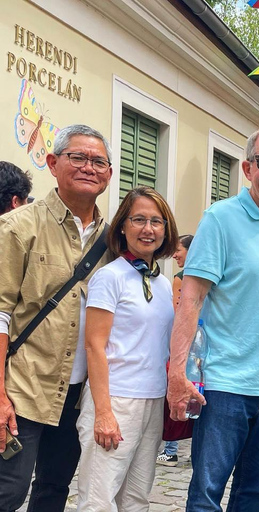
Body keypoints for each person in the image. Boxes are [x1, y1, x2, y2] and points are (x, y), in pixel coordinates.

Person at [166, 125, 259, 512]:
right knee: (207, 494)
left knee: (254, 493)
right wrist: (178, 375)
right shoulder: (219, 219)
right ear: (249, 168)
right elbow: (191, 299)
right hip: (224, 386)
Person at [0, 124, 113, 511]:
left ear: (109, 174)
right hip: (23, 389)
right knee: (8, 491)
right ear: (53, 162)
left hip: (78, 395)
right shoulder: (18, 227)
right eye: (77, 157)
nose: (88, 167)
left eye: (98, 161)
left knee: (53, 490)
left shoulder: (113, 242)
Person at [76, 186, 179, 510]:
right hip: (115, 400)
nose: (148, 229)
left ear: (166, 229)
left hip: (152, 399)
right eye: (138, 220)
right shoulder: (110, 277)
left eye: (156, 221)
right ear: (123, 225)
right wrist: (103, 413)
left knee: (136, 498)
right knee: (99, 499)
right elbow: (94, 345)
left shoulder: (162, 283)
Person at [157, 233, 194, 467]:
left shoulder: (181, 278)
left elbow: (176, 314)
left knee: (175, 396)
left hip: (181, 346)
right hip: (199, 346)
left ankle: (170, 450)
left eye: (178, 250)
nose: (174, 255)